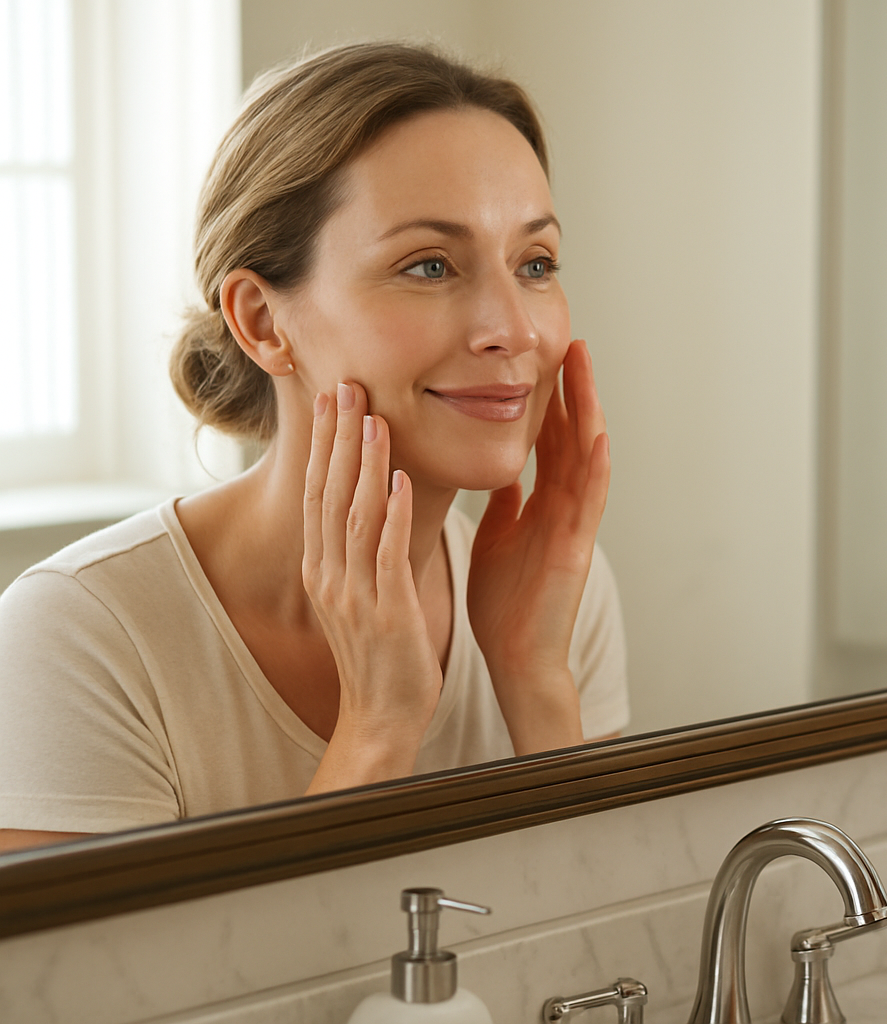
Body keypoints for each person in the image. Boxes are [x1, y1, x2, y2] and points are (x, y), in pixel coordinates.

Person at [0, 43, 627, 852]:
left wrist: (537, 681)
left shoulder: (561, 600)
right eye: (430, 265)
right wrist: (378, 728)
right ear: (264, 322)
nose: (512, 329)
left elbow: (603, 962)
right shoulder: (74, 642)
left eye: (535, 263)